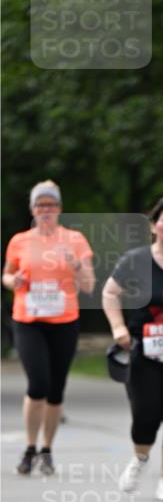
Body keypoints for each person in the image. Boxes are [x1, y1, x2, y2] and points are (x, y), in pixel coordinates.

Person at [101, 196, 163, 501]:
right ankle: (140, 459)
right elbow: (109, 293)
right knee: (145, 414)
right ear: (153, 226)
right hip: (143, 349)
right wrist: (118, 328)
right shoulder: (136, 260)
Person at [2, 180, 95, 475]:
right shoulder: (20, 241)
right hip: (28, 320)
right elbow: (7, 275)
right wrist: (11, 282)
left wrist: (75, 265)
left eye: (51, 205)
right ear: (32, 209)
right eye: (40, 205)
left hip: (64, 320)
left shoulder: (75, 240)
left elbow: (89, 285)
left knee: (56, 390)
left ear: (59, 209)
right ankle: (30, 447)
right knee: (37, 384)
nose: (46, 210)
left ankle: (47, 450)